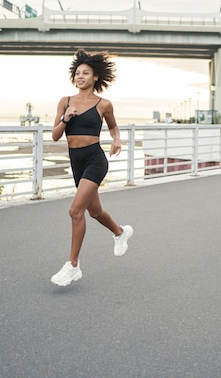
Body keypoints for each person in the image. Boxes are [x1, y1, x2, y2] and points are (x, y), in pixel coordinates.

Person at [50, 49, 133, 286]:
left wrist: (116, 139)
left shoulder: (103, 104)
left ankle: (72, 265)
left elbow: (113, 127)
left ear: (95, 77)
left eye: (85, 73)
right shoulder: (64, 102)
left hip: (95, 159)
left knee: (75, 211)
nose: (80, 76)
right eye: (77, 73)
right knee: (94, 212)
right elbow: (56, 135)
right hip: (76, 160)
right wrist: (66, 117)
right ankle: (120, 232)